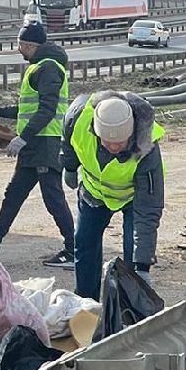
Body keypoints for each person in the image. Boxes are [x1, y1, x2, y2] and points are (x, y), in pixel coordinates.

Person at [0, 22, 75, 267]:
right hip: (35, 145)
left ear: (28, 45)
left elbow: (47, 110)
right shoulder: (40, 66)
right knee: (14, 194)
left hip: (44, 144)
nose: (19, 49)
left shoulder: (48, 67)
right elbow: (29, 109)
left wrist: (23, 137)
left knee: (53, 198)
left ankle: (74, 250)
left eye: (20, 44)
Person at [59, 91, 165, 300]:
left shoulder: (147, 148)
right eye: (108, 143)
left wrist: (143, 265)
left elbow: (148, 210)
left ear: (132, 133)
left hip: (133, 199)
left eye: (121, 143)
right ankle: (85, 303)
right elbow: (67, 141)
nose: (114, 147)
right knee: (85, 245)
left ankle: (128, 309)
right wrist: (69, 166)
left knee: (131, 260)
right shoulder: (77, 117)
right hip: (93, 193)